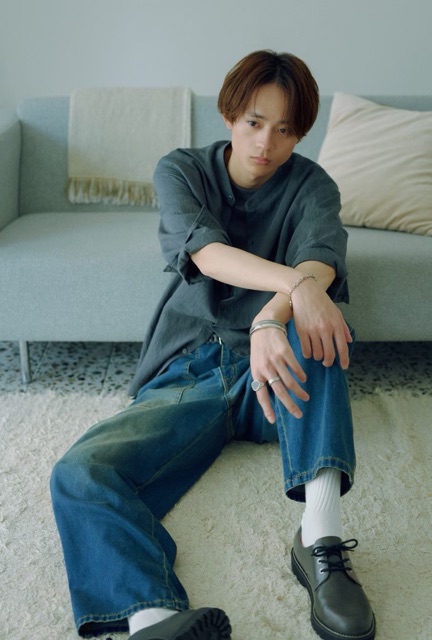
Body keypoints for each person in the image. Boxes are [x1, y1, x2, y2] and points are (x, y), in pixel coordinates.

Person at [50, 50, 376, 640]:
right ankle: (153, 619)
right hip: (190, 371)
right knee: (78, 473)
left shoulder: (313, 185)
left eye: (285, 130)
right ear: (229, 115)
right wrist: (296, 285)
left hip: (273, 376)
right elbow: (207, 254)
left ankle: (320, 536)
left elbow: (320, 262)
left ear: (300, 133)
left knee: (316, 323)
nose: (266, 143)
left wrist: (272, 318)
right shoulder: (181, 170)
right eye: (254, 122)